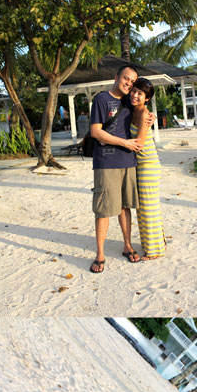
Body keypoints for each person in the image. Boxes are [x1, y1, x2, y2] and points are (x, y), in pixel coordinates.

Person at [89, 65, 145, 274]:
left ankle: (127, 245)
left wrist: (150, 117)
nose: (129, 84)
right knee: (103, 209)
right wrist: (125, 143)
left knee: (125, 206)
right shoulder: (102, 100)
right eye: (126, 79)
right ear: (116, 77)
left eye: (132, 81)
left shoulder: (131, 101)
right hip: (106, 161)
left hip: (128, 161)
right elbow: (96, 132)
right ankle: (100, 254)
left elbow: (142, 115)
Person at [129, 78, 166, 261]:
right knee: (145, 208)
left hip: (147, 165)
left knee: (148, 208)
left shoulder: (144, 114)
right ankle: (158, 244)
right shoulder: (133, 110)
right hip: (141, 165)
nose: (135, 95)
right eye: (134, 91)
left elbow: (139, 144)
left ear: (147, 99)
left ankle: (153, 251)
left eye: (140, 93)